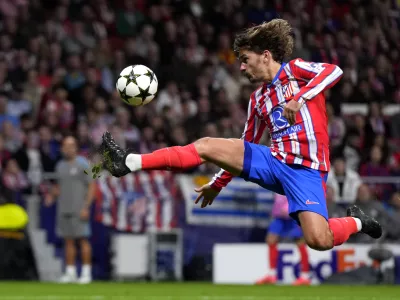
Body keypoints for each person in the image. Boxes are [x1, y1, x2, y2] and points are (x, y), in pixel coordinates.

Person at [100, 19, 382, 252]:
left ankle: (357, 222)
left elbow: (334, 71)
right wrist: (217, 184)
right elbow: (245, 146)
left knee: (319, 240)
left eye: (246, 60)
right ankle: (130, 162)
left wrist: (298, 98)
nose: (242, 67)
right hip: (273, 161)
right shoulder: (258, 99)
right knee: (207, 145)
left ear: (266, 56)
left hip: (306, 171)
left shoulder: (296, 72)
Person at [45, 136, 94, 284]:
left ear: (76, 147)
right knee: (68, 241)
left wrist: (86, 207)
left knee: (83, 240)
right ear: (62, 148)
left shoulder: (83, 164)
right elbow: (58, 186)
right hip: (63, 209)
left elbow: (92, 186)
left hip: (79, 209)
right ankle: (70, 272)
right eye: (66, 145)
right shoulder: (60, 166)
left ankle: (86, 273)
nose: (68, 148)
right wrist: (51, 196)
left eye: (71, 145)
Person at [255, 194, 310, 285]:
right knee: (271, 239)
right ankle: (272, 275)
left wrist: (288, 207)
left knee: (300, 242)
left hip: (293, 213)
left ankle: (305, 276)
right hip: (279, 215)